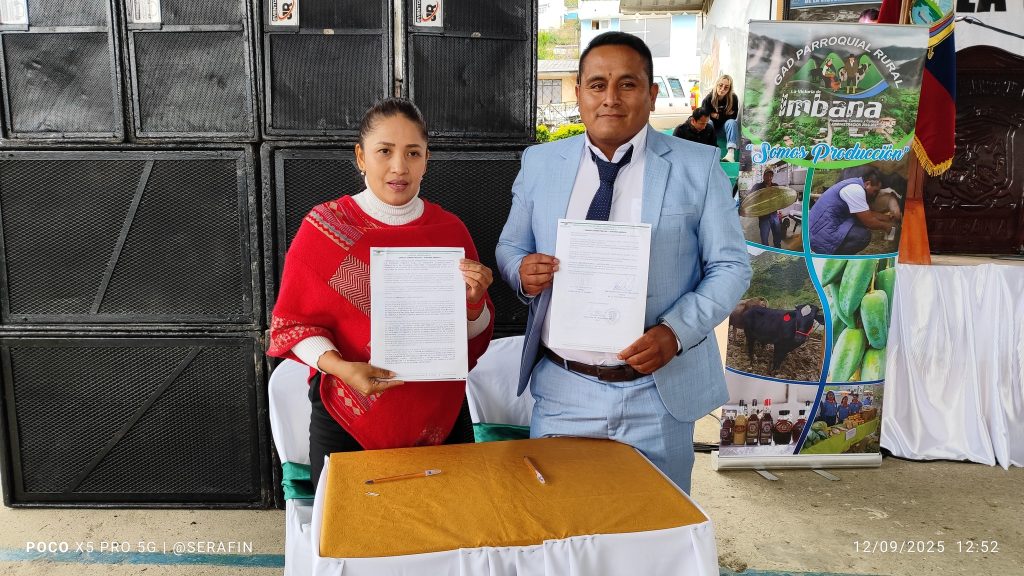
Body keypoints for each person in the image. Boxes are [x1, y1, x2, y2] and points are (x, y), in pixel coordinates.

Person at [495, 32, 751, 493]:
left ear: (651, 94)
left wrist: (675, 332)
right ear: (578, 93)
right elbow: (510, 246)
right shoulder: (540, 163)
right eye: (597, 85)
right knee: (564, 523)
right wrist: (522, 271)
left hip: (657, 395)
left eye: (627, 84)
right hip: (564, 390)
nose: (610, 98)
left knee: (656, 524)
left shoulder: (697, 166)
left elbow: (731, 265)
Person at [267, 98, 495, 488]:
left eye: (413, 153)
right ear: (361, 156)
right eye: (385, 151)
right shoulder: (326, 228)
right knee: (348, 522)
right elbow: (295, 324)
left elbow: (473, 333)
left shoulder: (449, 231)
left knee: (445, 519)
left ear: (427, 160)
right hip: (347, 414)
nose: (399, 167)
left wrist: (474, 305)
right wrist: (342, 368)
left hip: (439, 410)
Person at [808, 168, 899, 255]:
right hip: (819, 235)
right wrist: (886, 226)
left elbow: (866, 213)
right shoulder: (856, 190)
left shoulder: (854, 184)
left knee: (857, 222)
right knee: (862, 236)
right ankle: (833, 256)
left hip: (819, 228)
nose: (874, 194)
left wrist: (887, 218)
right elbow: (869, 222)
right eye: (875, 191)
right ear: (867, 184)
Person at [701, 74, 740, 162]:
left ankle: (730, 154)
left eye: (726, 87)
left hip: (724, 130)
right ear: (716, 85)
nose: (722, 89)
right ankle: (709, 152)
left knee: (731, 122)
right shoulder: (709, 98)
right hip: (711, 130)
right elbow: (703, 116)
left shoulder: (733, 98)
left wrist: (716, 115)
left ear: (729, 89)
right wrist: (725, 114)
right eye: (720, 85)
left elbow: (733, 116)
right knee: (709, 122)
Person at [748, 169, 782, 248]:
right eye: (767, 175)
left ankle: (778, 249)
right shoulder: (758, 186)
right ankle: (766, 251)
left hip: (774, 215)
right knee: (764, 238)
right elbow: (750, 198)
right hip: (763, 217)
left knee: (777, 235)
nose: (769, 177)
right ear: (763, 176)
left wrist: (780, 210)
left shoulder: (775, 186)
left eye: (771, 176)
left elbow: (780, 198)